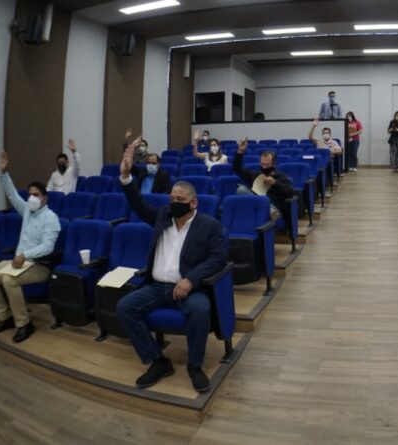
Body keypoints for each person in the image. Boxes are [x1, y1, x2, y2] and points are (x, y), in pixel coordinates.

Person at [115, 140, 227, 393]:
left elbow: (218, 258)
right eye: (172, 198)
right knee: (125, 308)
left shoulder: (209, 226)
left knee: (200, 310)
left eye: (180, 199)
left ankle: (195, 365)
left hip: (188, 288)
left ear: (194, 203)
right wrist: (126, 176)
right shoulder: (163, 216)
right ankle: (158, 360)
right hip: (156, 287)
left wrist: (190, 280)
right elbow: (138, 203)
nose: (174, 202)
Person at [0, 152, 61, 343]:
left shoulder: (51, 218)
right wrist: (4, 173)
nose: (31, 198)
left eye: (36, 195)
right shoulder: (27, 209)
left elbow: (48, 247)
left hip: (38, 265)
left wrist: (25, 255)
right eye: (30, 194)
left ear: (44, 199)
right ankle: (5, 317)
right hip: (18, 262)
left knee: (9, 280)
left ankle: (24, 324)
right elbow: (12, 194)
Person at [233, 138, 296, 223]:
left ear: (274, 164)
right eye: (262, 164)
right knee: (241, 189)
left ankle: (268, 208)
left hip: (273, 208)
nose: (264, 167)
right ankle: (261, 207)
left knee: (266, 203)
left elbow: (291, 193)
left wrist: (275, 183)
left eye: (267, 165)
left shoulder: (281, 176)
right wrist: (240, 151)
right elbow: (237, 169)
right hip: (256, 204)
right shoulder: (255, 174)